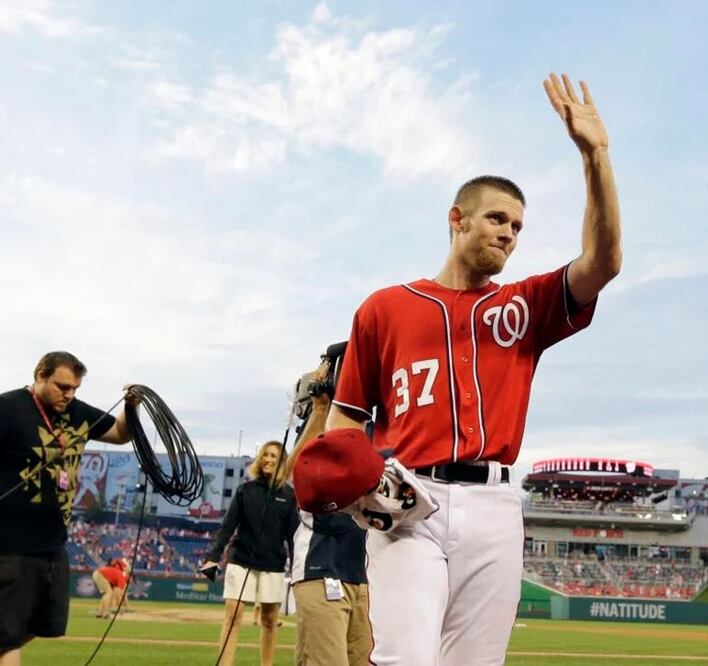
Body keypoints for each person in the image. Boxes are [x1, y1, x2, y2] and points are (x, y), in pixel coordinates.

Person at [324, 72, 620, 665]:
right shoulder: (385, 307)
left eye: (516, 227)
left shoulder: (525, 305)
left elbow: (604, 261)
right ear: (457, 218)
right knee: (405, 658)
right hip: (411, 501)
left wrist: (596, 157)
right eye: (496, 219)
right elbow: (344, 420)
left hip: (495, 504)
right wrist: (359, 488)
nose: (508, 234)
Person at [0, 351, 136, 666]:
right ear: (40, 376)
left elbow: (120, 433)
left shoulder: (77, 412)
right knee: (7, 635)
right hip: (10, 545)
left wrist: (131, 406)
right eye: (62, 386)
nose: (69, 394)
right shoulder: (8, 408)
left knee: (45, 624)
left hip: (53, 544)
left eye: (74, 388)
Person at [286, 378, 372, 666]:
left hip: (365, 573)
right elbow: (292, 475)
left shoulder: (370, 427)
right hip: (321, 564)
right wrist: (320, 411)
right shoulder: (319, 424)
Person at [203, 441, 298, 666]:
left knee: (269, 620)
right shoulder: (245, 490)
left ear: (282, 462)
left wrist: (297, 570)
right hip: (241, 561)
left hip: (273, 564)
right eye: (265, 455)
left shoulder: (289, 495)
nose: (269, 459)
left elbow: (293, 538)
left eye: (274, 456)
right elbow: (227, 527)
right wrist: (213, 557)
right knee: (232, 617)